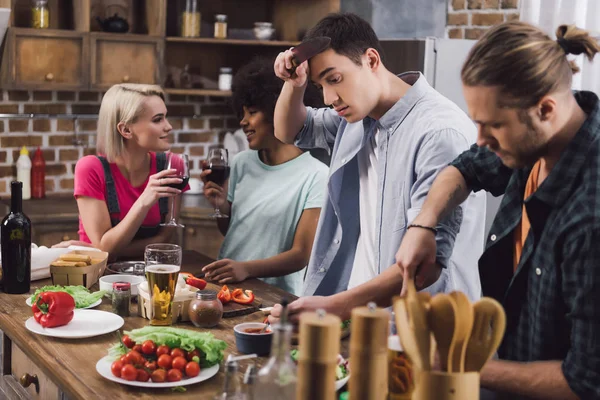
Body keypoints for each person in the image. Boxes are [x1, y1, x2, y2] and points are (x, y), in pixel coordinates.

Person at [395, 21, 600, 400]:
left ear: (545, 109)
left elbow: (585, 381)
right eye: (477, 123)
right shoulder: (536, 138)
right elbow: (466, 168)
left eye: (493, 126)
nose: (481, 139)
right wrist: (423, 224)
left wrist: (459, 361)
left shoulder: (590, 219)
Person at [269, 12, 486, 321]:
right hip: (367, 318)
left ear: (371, 60)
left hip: (426, 332)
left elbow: (423, 267)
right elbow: (290, 131)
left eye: (334, 79)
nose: (330, 97)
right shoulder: (358, 116)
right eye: (321, 86)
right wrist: (294, 85)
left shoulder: (439, 134)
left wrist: (332, 307)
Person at [201, 58, 328, 295]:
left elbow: (301, 254)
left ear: (278, 109)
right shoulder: (241, 163)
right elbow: (235, 232)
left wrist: (246, 269)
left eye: (252, 112)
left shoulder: (317, 176)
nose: (243, 121)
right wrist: (221, 208)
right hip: (229, 288)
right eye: (242, 113)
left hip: (276, 296)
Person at [67, 84, 186, 259]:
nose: (168, 126)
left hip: (151, 274)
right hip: (100, 277)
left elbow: (165, 239)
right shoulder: (91, 169)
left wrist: (98, 249)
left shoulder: (172, 166)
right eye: (157, 119)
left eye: (165, 117)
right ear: (126, 130)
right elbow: (105, 247)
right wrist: (144, 201)